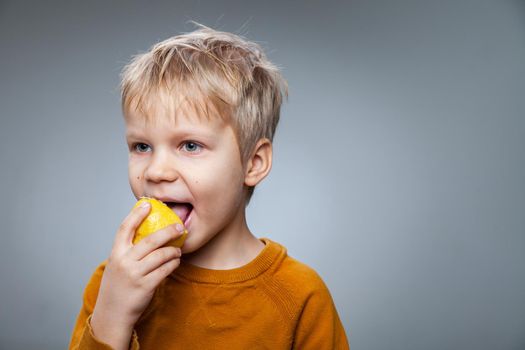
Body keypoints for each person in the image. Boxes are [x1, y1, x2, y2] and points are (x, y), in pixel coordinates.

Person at [69, 22, 350, 350]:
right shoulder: (112, 282)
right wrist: (112, 316)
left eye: (189, 145)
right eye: (141, 146)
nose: (156, 171)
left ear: (253, 163)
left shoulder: (299, 296)